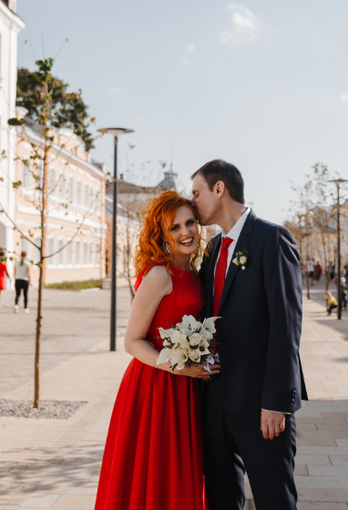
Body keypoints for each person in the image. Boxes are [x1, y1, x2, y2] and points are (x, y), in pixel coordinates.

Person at [191, 160, 307, 510]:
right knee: (221, 501)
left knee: (274, 500)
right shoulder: (212, 249)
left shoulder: (272, 239)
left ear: (219, 189)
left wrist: (276, 402)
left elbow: (287, 326)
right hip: (215, 404)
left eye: (196, 193)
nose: (192, 202)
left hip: (261, 405)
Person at [95, 191, 215, 510]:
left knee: (178, 473)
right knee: (155, 468)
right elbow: (132, 341)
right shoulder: (160, 275)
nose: (186, 232)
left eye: (190, 222)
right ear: (162, 234)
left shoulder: (195, 272)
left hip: (185, 386)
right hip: (155, 384)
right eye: (175, 227)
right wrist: (179, 367)